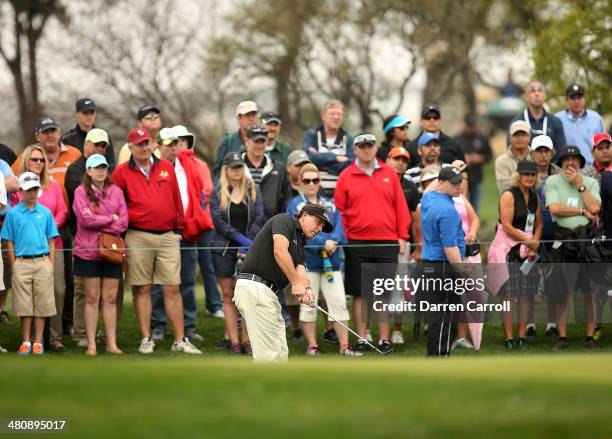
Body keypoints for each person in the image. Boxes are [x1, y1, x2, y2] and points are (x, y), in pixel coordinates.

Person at [112, 127, 201, 355]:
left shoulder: (166, 168)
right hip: (137, 235)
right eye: (139, 144)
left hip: (168, 236)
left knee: (172, 287)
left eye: (146, 143)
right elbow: (115, 203)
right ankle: (146, 338)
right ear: (130, 147)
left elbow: (176, 201)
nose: (143, 148)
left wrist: (178, 228)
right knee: (142, 288)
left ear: (153, 144)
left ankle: (179, 340)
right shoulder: (121, 173)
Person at [334, 132, 410, 353]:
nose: (366, 150)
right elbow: (340, 211)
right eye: (362, 146)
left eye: (370, 146)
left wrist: (403, 235)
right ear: (355, 150)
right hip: (357, 242)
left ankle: (384, 339)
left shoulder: (389, 173)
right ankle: (361, 338)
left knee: (383, 293)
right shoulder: (346, 176)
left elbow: (400, 207)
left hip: (387, 242)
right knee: (360, 293)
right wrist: (345, 236)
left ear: (376, 149)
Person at [233, 204, 332, 362]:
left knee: (280, 353)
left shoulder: (301, 248)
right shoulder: (285, 220)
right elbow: (279, 251)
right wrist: (296, 283)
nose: (320, 228)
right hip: (255, 288)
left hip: (268, 294)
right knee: (268, 355)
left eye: (323, 226)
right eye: (318, 222)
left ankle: (275, 385)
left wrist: (307, 290)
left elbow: (301, 274)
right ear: (304, 215)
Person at [286, 164, 360, 356]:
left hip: (331, 264)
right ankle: (313, 346)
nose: (311, 184)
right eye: (307, 180)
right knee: (308, 306)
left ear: (320, 182)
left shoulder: (330, 204)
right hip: (307, 264)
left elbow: (340, 231)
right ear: (300, 183)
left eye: (315, 180)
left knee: (339, 304)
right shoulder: (295, 205)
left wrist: (333, 240)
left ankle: (344, 346)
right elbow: (297, 232)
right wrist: (322, 242)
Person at [151, 127, 214, 342]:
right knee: (161, 283)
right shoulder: (154, 168)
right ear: (159, 146)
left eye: (176, 143)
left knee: (187, 282)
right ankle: (158, 325)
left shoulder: (189, 166)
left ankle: (188, 327)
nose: (173, 147)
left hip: (187, 231)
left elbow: (198, 196)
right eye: (168, 144)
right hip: (165, 232)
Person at [545, 145, 601, 350]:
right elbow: (555, 209)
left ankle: (589, 337)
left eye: (574, 159)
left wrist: (580, 186)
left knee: (590, 292)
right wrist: (581, 210)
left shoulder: (591, 182)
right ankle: (562, 337)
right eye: (566, 159)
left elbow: (595, 208)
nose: (570, 162)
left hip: (586, 240)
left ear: (580, 163)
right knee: (563, 290)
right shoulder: (552, 181)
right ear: (560, 164)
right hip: (563, 239)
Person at [210, 152, 265, 354]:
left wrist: (248, 243)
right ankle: (234, 341)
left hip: (249, 249)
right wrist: (239, 240)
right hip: (223, 249)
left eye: (240, 167)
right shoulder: (217, 191)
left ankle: (248, 341)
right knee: (228, 296)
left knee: (247, 296)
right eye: (233, 167)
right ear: (226, 169)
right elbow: (218, 222)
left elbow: (260, 217)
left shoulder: (253, 189)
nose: (237, 171)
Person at [73, 154, 128, 355]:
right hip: (88, 252)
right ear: (88, 171)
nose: (100, 171)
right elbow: (85, 220)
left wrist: (100, 219)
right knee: (91, 297)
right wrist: (109, 219)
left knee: (111, 297)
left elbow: (123, 222)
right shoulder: (80, 192)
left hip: (111, 250)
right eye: (96, 167)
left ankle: (112, 344)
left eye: (103, 167)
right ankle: (91, 345)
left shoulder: (116, 192)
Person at [64, 128, 115, 347]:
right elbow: (85, 213)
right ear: (86, 145)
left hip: (110, 241)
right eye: (96, 144)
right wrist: (108, 218)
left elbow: (121, 215)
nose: (100, 148)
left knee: (108, 293)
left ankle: (105, 335)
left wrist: (104, 218)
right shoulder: (76, 170)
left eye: (103, 145)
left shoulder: (111, 180)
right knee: (83, 290)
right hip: (83, 239)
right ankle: (81, 333)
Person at [14, 145, 67, 352]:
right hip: (26, 252)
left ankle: (54, 337)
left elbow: (62, 211)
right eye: (34, 159)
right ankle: (33, 341)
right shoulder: (19, 187)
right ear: (26, 160)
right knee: (27, 295)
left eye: (42, 160)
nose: (38, 163)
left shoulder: (52, 185)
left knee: (58, 290)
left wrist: (47, 226)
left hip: (53, 246)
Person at [1, 172, 58, 355]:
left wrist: (50, 264)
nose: (31, 193)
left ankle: (38, 342)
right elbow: (9, 240)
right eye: (27, 190)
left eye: (34, 189)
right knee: (25, 305)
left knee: (42, 303)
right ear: (20, 191)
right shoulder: (13, 214)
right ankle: (26, 340)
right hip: (22, 263)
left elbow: (51, 240)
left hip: (42, 261)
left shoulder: (45, 212)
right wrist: (14, 264)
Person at [172, 125, 224, 319]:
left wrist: (195, 214)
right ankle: (177, 311)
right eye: (177, 140)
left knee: (207, 264)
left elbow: (207, 192)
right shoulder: (168, 165)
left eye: (184, 140)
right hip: (179, 224)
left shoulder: (200, 165)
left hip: (202, 222)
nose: (181, 144)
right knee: (180, 270)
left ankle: (214, 304)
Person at [494, 161, 542, 348]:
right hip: (508, 251)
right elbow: (506, 226)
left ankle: (521, 335)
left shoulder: (534, 197)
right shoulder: (509, 194)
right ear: (518, 176)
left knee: (525, 294)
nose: (529, 178)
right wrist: (529, 242)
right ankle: (508, 337)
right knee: (508, 295)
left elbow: (538, 224)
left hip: (527, 252)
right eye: (526, 174)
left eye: (532, 175)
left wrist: (534, 245)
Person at [419, 166, 466, 356]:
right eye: (454, 183)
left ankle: (435, 356)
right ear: (441, 183)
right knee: (445, 318)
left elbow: (430, 188)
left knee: (436, 317)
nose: (459, 186)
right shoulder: (448, 211)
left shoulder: (429, 199)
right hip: (444, 267)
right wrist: (463, 274)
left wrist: (448, 166)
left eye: (460, 181)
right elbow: (450, 248)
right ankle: (439, 357)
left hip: (430, 266)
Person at [385, 146, 420, 345]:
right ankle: (373, 332)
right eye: (396, 158)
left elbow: (416, 219)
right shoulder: (378, 181)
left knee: (398, 287)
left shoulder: (409, 187)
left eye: (404, 160)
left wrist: (419, 245)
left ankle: (396, 330)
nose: (400, 162)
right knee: (376, 287)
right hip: (379, 242)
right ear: (388, 160)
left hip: (402, 244)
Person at [529, 135, 561, 338]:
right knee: (529, 279)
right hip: (531, 234)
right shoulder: (526, 174)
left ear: (551, 153)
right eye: (539, 151)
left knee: (554, 280)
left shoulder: (559, 174)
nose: (542, 155)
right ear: (532, 154)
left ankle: (552, 324)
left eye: (546, 151)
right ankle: (529, 324)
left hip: (555, 232)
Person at [302, 100, 354, 195]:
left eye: (339, 114)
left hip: (341, 194)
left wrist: (321, 163)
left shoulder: (348, 139)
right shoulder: (311, 135)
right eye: (332, 114)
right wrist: (336, 158)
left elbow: (351, 164)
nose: (336, 117)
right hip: (315, 194)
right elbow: (308, 158)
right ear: (323, 115)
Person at [242, 126, 289, 219]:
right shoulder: (236, 166)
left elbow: (285, 202)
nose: (259, 145)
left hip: (269, 227)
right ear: (247, 140)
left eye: (262, 141)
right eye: (256, 141)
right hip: (241, 227)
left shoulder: (279, 168)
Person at [555, 84, 604, 166]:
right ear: (567, 100)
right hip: (566, 169)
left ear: (584, 99)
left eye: (579, 97)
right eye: (573, 98)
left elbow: (602, 145)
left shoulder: (596, 118)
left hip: (592, 169)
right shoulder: (557, 119)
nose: (576, 101)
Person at [508, 80, 566, 148]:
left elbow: (560, 152)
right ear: (526, 96)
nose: (537, 94)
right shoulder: (517, 122)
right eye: (533, 91)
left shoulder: (556, 122)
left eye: (540, 90)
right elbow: (511, 150)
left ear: (545, 96)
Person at [453, 114, 492, 212]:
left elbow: (489, 155)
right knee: (462, 205)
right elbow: (452, 157)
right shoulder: (457, 139)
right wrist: (463, 159)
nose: (471, 128)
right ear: (464, 124)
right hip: (460, 178)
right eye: (469, 125)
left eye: (473, 125)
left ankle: (474, 224)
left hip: (476, 177)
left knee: (475, 207)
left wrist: (479, 158)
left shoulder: (481, 138)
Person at [213, 101, 259, 180]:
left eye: (253, 115)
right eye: (247, 115)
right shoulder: (228, 141)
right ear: (238, 118)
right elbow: (218, 170)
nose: (251, 118)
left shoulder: (265, 141)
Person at [62, 98, 115, 166]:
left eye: (92, 113)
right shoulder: (67, 139)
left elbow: (111, 164)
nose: (89, 116)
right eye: (85, 113)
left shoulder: (104, 137)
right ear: (76, 113)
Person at [0, 158, 18, 325]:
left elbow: (14, 184)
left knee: (5, 276)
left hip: (4, 227)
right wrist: (1, 182)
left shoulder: (2, 164)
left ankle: (1, 309)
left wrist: (4, 183)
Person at [495, 120, 532, 192]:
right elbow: (504, 187)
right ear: (510, 138)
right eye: (516, 135)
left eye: (523, 135)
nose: (520, 138)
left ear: (529, 138)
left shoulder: (536, 157)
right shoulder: (501, 161)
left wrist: (515, 180)